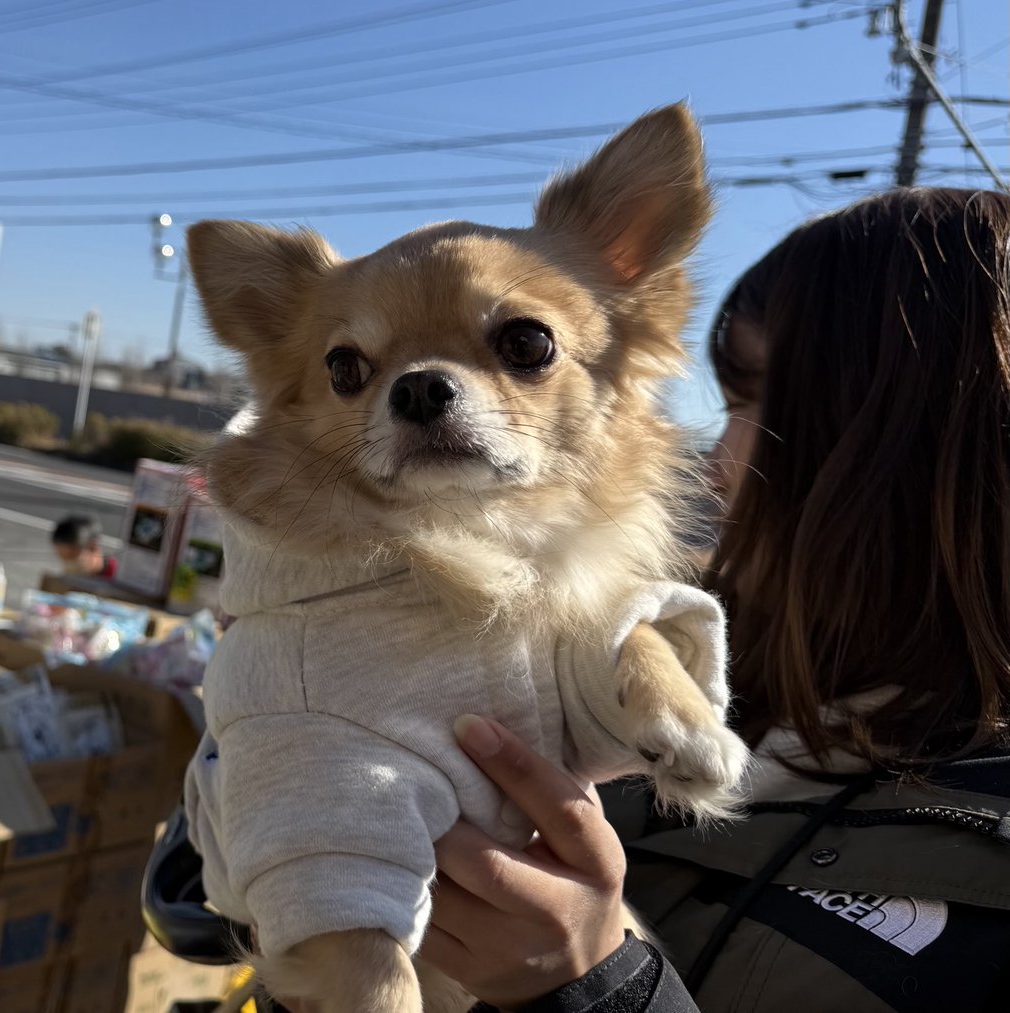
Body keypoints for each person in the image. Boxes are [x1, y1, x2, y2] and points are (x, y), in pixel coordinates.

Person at [418, 187, 1010, 1012]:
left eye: (749, 403)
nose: (714, 463)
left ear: (924, 444)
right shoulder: (633, 629)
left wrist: (596, 990)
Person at [50, 514, 117, 579]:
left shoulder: (120, 576)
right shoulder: (78, 581)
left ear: (93, 547)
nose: (68, 565)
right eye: (63, 559)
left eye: (72, 557)